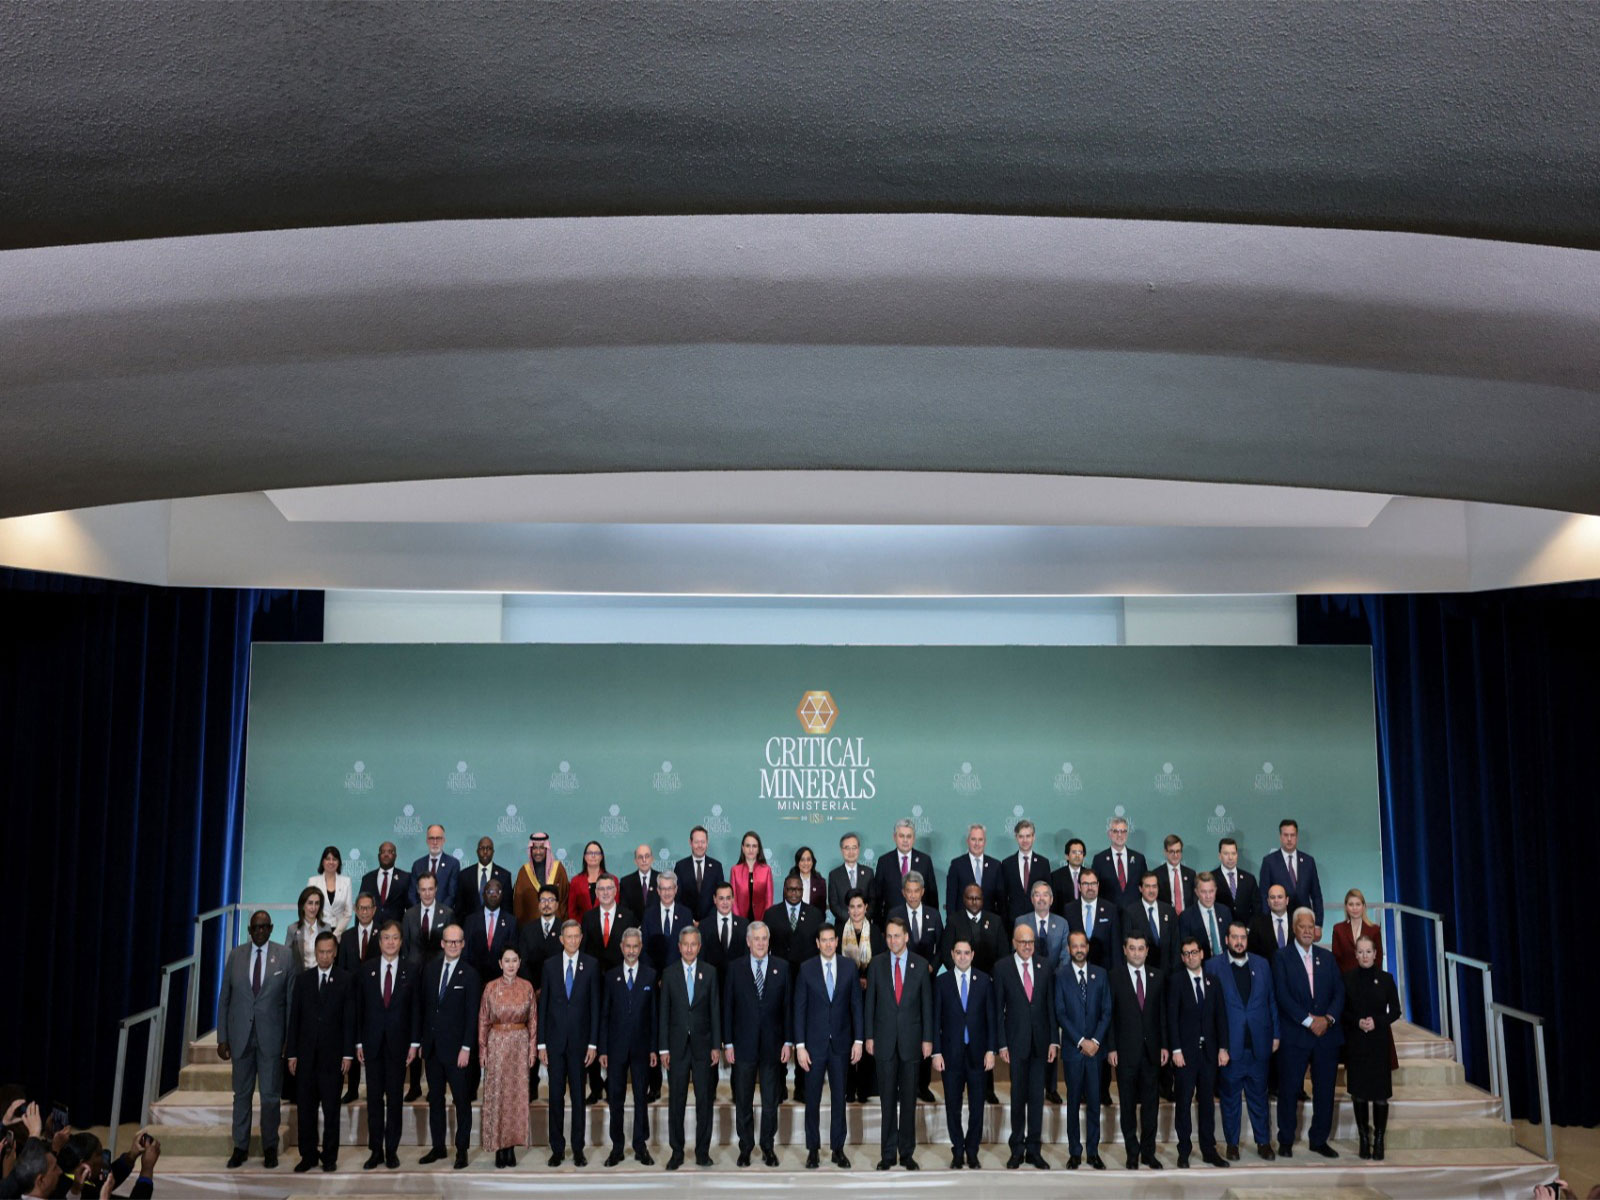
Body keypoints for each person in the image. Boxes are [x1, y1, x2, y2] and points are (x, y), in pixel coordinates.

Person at [217, 910, 292, 1170]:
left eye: (264, 927)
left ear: (271, 928)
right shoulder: (235, 956)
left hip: (272, 1039)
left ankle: (270, 1147)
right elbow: (224, 998)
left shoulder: (285, 955)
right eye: (255, 927)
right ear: (249, 931)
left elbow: (290, 1001)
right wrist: (222, 1037)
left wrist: (289, 1039)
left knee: (270, 1097)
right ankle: (240, 1147)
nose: (259, 931)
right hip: (240, 1038)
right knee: (242, 1095)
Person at [1272, 907, 1344, 1157]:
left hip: (1326, 1035)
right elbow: (1282, 994)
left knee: (1325, 1091)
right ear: (1294, 928)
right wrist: (1307, 1021)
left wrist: (1328, 1019)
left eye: (1310, 926)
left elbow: (1339, 992)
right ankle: (1286, 1139)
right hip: (1295, 1034)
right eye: (1302, 926)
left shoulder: (1327, 957)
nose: (1306, 931)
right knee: (1289, 1089)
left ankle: (1319, 1140)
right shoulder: (1281, 957)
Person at [863, 916, 933, 1171]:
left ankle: (906, 1153)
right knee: (887, 1101)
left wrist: (927, 1039)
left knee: (909, 1101)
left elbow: (927, 1006)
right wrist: (869, 1036)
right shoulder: (876, 964)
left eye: (897, 936)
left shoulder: (920, 965)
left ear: (906, 937)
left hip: (912, 1042)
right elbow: (869, 1003)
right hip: (883, 1041)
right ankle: (887, 1154)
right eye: (889, 936)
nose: (893, 940)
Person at [285, 930, 354, 1173]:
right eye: (321, 952)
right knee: (306, 1109)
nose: (324, 956)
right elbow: (294, 1019)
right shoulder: (303, 980)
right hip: (306, 1057)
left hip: (333, 1058)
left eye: (328, 952)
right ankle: (308, 1155)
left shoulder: (345, 980)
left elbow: (349, 1020)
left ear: (335, 953)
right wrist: (292, 1053)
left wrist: (348, 1054)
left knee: (331, 1110)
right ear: (315, 952)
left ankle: (329, 1157)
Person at [793, 923, 862, 1169]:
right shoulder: (806, 969)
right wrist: (800, 1046)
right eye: (824, 940)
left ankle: (837, 1149)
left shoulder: (849, 967)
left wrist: (858, 1040)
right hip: (813, 1047)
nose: (829, 944)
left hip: (841, 1045)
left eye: (832, 939)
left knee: (839, 1099)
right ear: (817, 943)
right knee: (812, 1098)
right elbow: (799, 1009)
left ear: (837, 941)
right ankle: (813, 1149)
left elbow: (856, 1006)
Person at [723, 921, 791, 1167]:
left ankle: (767, 1147)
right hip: (743, 1045)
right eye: (756, 939)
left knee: (770, 1101)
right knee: (743, 1100)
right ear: (748, 942)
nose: (760, 943)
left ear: (768, 941)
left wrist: (788, 1042)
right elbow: (728, 1007)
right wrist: (728, 1043)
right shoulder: (735, 968)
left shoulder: (782, 967)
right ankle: (745, 1147)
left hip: (773, 1046)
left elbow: (787, 1008)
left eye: (764, 938)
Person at [355, 920, 421, 1170]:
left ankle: (391, 1150)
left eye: (395, 938)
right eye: (386, 937)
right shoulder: (367, 969)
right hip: (372, 1044)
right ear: (379, 941)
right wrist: (358, 1042)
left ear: (401, 941)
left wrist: (414, 1043)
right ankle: (376, 1151)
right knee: (374, 1100)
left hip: (399, 1045)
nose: (390, 942)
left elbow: (415, 1009)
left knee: (395, 1100)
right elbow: (359, 1008)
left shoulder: (411, 970)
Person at [1211, 920, 1279, 1160]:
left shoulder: (1262, 964)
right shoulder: (1213, 966)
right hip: (1231, 1047)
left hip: (1259, 1044)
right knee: (1230, 1100)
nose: (1239, 942)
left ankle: (1263, 1142)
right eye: (1234, 937)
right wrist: (1219, 1045)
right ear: (1226, 940)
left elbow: (1271, 1000)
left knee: (1259, 1098)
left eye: (1243, 937)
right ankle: (1232, 1144)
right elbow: (1212, 1010)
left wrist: (1276, 1034)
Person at [537, 919, 599, 1167]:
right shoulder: (549, 965)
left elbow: (595, 1007)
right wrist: (541, 1044)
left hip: (580, 1046)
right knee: (555, 1096)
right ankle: (557, 1149)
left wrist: (593, 1044)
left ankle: (578, 1148)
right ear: (561, 939)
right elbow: (543, 1007)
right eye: (568, 937)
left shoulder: (591, 965)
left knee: (578, 1097)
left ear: (581, 938)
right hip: (554, 1044)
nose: (572, 940)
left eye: (576, 936)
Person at [659, 926, 721, 1169]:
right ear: (679, 946)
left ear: (699, 946)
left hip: (703, 1047)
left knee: (704, 1100)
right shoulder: (669, 973)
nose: (689, 948)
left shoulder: (710, 972)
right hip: (676, 1048)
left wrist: (716, 1045)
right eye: (685, 944)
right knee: (677, 1101)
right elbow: (664, 1014)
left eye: (693, 944)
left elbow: (715, 1010)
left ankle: (702, 1151)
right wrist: (663, 1048)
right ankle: (677, 1152)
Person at [996, 924, 1057, 1170]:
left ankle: (1034, 1150)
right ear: (1014, 943)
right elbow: (998, 1010)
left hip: (1041, 1043)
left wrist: (1053, 1040)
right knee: (1018, 1096)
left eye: (1031, 942)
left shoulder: (1045, 966)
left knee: (1036, 1098)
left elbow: (1050, 1006)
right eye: (1023, 942)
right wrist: (1002, 1043)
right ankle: (1017, 1149)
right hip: (1015, 1043)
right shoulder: (1002, 967)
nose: (1027, 946)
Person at [1105, 930, 1167, 1170]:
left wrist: (1164, 1045)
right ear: (1125, 950)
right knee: (1128, 1105)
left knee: (1151, 1105)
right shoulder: (1114, 976)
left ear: (1147, 951)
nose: (1137, 953)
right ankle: (1132, 1152)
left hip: (1151, 1052)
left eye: (1141, 948)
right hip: (1125, 1052)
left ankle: (1148, 1153)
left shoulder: (1157, 976)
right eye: (1132, 948)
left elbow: (1162, 1015)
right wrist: (1111, 1047)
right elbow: (1109, 1015)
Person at [932, 935, 995, 1170]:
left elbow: (991, 1019)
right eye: (958, 953)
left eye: (966, 953)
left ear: (972, 955)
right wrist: (936, 1052)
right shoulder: (942, 982)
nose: (962, 957)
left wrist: (991, 1050)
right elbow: (935, 1020)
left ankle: (972, 1150)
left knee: (977, 1106)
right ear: (952, 955)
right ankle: (958, 1150)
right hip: (950, 1055)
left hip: (978, 1055)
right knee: (953, 1105)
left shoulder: (985, 981)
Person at [419, 924, 479, 1170]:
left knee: (462, 1101)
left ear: (463, 944)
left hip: (457, 1052)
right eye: (449, 941)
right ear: (442, 944)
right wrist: (422, 1042)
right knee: (435, 1099)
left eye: (457, 941)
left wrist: (466, 1047)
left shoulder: (470, 974)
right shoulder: (430, 970)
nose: (453, 945)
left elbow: (472, 1015)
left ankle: (461, 1149)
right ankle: (438, 1147)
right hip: (433, 1049)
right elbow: (424, 1008)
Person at [1167, 936, 1228, 1168]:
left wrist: (1223, 1048)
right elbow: (1172, 1019)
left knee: (1207, 1103)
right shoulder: (1176, 981)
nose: (1191, 957)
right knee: (1183, 1103)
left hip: (1209, 1054)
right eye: (1186, 953)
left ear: (1202, 954)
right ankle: (1184, 1151)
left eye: (1194, 952)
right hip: (1185, 1055)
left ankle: (1208, 1150)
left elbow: (1220, 1017)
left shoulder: (1214, 981)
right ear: (1182, 958)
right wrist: (1176, 1050)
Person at [598, 928, 657, 1167]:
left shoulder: (650, 975)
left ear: (640, 948)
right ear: (622, 947)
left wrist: (653, 1048)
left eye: (635, 946)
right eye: (628, 946)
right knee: (616, 1098)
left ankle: (641, 1146)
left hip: (642, 1049)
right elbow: (604, 1015)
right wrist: (603, 1049)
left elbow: (654, 1016)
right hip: (616, 1048)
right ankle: (617, 1148)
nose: (631, 950)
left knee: (641, 1098)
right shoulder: (611, 976)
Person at [1054, 930, 1110, 1170]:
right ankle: (1075, 1152)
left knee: (1095, 1103)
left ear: (1087, 947)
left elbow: (1107, 1011)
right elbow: (1060, 1013)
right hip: (1073, 1051)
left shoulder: (1101, 974)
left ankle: (1093, 1152)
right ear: (1069, 949)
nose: (1079, 950)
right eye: (1074, 946)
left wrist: (1095, 1041)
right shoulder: (1060, 975)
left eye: (1082, 945)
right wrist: (1080, 1041)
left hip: (1095, 1051)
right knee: (1074, 1102)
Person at [1342, 935, 1400, 1161]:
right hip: (1356, 1043)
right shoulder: (1347, 979)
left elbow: (1395, 1010)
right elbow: (1342, 1011)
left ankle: (1379, 1140)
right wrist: (1357, 1022)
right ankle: (1364, 1139)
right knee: (1359, 1094)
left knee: (1380, 1095)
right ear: (1355, 954)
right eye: (1361, 952)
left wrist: (1377, 1022)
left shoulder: (1386, 979)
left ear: (1376, 954)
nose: (1365, 956)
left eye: (1369, 951)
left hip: (1379, 1043)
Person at [479, 945, 536, 1168]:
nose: (511, 965)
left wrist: (532, 1049)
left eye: (514, 960)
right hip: (497, 1045)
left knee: (515, 1097)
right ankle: (499, 1147)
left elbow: (533, 1021)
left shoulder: (527, 987)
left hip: (520, 1045)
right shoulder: (491, 988)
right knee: (498, 1097)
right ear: (500, 963)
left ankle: (511, 1147)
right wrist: (483, 1050)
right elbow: (483, 1020)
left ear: (519, 963)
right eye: (507, 960)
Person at [515, 883, 565, 1101]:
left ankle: (556, 1087)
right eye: (543, 900)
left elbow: (565, 963)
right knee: (532, 1039)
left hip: (557, 996)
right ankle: (531, 1085)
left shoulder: (565, 930)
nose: (546, 904)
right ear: (538, 904)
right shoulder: (528, 929)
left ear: (557, 904)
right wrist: (533, 989)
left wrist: (548, 989)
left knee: (554, 1040)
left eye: (550, 900)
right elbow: (523, 962)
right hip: (532, 994)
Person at [837, 889, 878, 1101]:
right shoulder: (839, 930)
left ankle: (864, 1089)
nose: (855, 911)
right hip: (845, 995)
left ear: (866, 907)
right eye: (852, 907)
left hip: (869, 995)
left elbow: (879, 963)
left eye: (859, 906)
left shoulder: (876, 932)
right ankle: (848, 1088)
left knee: (866, 1038)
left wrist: (867, 979)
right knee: (848, 1040)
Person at [1257, 819, 1324, 927]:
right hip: (1278, 922)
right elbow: (1264, 894)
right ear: (1280, 837)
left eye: (1292, 835)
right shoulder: (1269, 861)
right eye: (1285, 835)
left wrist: (1318, 924)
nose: (1289, 839)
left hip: (1304, 922)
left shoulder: (1308, 861)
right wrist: (1266, 922)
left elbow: (1316, 895)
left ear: (1297, 837)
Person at [874, 818, 939, 922]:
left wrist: (933, 922)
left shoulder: (925, 861)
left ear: (914, 838)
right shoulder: (884, 861)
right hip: (892, 922)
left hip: (919, 922)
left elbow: (932, 896)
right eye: (901, 836)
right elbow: (877, 898)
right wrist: (879, 926)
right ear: (894, 837)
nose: (905, 840)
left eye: (909, 836)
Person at [941, 882, 1004, 975]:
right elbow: (946, 954)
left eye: (977, 898)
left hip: (990, 977)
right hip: (961, 977)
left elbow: (1003, 953)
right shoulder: (953, 921)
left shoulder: (995, 921)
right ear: (964, 899)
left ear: (982, 900)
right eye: (970, 898)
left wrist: (993, 976)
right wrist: (960, 974)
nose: (974, 902)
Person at [1123, 871, 1178, 972]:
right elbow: (1127, 944)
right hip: (1143, 971)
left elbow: (1176, 944)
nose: (1151, 890)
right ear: (1140, 888)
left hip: (1168, 971)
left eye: (1154, 886)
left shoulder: (1169, 911)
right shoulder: (1130, 912)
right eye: (1147, 886)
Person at [945, 822, 1002, 921]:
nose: (977, 844)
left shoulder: (995, 865)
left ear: (985, 842)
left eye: (980, 840)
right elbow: (951, 900)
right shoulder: (957, 865)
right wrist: (952, 924)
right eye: (973, 839)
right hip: (963, 922)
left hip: (989, 923)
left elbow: (1001, 901)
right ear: (967, 841)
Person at [1065, 868, 1119, 970]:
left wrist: (1116, 973)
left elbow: (1115, 946)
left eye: (1093, 883)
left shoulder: (1110, 909)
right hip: (1076, 968)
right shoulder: (1069, 909)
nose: (1090, 887)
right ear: (1079, 886)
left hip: (1104, 969)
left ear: (1098, 885)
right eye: (1085, 884)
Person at [642, 869, 694, 973]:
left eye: (670, 888)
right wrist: (653, 975)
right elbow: (644, 947)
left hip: (680, 973)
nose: (667, 893)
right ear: (658, 890)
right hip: (654, 974)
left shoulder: (686, 914)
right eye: (663, 889)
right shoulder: (648, 915)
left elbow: (689, 946)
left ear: (676, 889)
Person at [1091, 815, 1147, 911]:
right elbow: (1095, 888)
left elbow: (1145, 886)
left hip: (1134, 913)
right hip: (1108, 913)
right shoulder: (1099, 859)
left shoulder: (1139, 859)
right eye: (1115, 831)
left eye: (1123, 831)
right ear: (1109, 834)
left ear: (1127, 833)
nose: (1120, 835)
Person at [465, 877, 517, 979]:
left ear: (502, 895)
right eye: (490, 891)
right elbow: (465, 952)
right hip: (474, 976)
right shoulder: (471, 920)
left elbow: (513, 952)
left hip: (502, 978)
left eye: (498, 891)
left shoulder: (511, 921)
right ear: (483, 894)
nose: (494, 895)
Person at [1000, 818, 1051, 923]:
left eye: (1028, 836)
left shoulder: (1043, 863)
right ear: (1016, 837)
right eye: (1021, 836)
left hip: (1038, 919)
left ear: (1033, 837)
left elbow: (1049, 893)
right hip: (1013, 921)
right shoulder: (1007, 864)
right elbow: (1003, 896)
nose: (1025, 840)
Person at [512, 831, 569, 924]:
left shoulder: (558, 869)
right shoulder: (524, 871)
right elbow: (518, 906)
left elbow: (565, 900)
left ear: (547, 849)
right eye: (535, 848)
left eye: (541, 848)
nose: (538, 852)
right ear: (530, 850)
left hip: (556, 926)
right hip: (531, 927)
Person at [402, 871, 452, 968]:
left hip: (438, 968)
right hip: (413, 968)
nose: (427, 893)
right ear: (418, 890)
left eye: (430, 889)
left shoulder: (447, 914)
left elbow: (450, 945)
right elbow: (405, 945)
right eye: (423, 890)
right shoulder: (409, 915)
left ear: (436, 889)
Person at [674, 825, 724, 921]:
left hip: (711, 922)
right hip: (686, 921)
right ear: (690, 842)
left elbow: (720, 896)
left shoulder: (716, 867)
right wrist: (689, 919)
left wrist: (708, 920)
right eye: (696, 842)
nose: (700, 845)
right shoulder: (680, 866)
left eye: (703, 842)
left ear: (707, 843)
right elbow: (677, 897)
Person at [698, 881, 749, 974]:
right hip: (712, 979)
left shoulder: (744, 925)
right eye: (721, 898)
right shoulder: (704, 926)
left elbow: (747, 957)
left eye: (728, 898)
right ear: (715, 899)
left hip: (737, 978)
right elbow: (701, 957)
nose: (725, 902)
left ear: (733, 899)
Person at [1178, 871, 1232, 960]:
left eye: (1211, 891)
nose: (1208, 896)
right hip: (1202, 963)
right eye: (1203, 892)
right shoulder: (1186, 917)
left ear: (1216, 890)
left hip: (1225, 961)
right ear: (1196, 892)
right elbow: (1186, 948)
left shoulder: (1225, 911)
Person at [458, 835, 514, 920]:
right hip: (470, 925)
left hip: (496, 924)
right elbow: (460, 907)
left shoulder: (504, 876)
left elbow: (507, 908)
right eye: (482, 848)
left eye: (489, 848)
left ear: (493, 852)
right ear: (477, 851)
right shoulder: (465, 875)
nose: (485, 851)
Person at [1331, 887, 1384, 974]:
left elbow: (1378, 960)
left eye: (1358, 904)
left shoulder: (1374, 930)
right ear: (1346, 907)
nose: (1354, 908)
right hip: (1345, 979)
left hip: (1369, 979)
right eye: (1351, 904)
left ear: (1363, 906)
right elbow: (1336, 960)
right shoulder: (1338, 929)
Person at [409, 824, 461, 910]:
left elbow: (452, 894)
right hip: (421, 914)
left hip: (444, 914)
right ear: (427, 841)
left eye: (438, 838)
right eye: (431, 838)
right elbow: (412, 893)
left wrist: (438, 912)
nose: (435, 842)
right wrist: (421, 910)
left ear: (443, 840)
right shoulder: (417, 865)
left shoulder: (453, 864)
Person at [827, 831, 873, 926]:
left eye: (854, 848)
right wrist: (851, 920)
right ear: (841, 850)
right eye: (847, 848)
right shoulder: (834, 875)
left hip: (865, 926)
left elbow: (873, 900)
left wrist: (862, 919)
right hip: (843, 926)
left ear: (858, 849)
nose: (851, 852)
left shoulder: (868, 873)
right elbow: (833, 904)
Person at [361, 841, 412, 926]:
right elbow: (361, 906)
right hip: (372, 928)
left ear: (395, 856)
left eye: (390, 852)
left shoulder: (405, 878)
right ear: (378, 856)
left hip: (396, 929)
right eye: (383, 852)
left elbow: (411, 908)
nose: (386, 854)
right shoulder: (367, 879)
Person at [309, 845, 355, 936]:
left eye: (334, 859)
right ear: (323, 862)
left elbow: (348, 912)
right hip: (318, 932)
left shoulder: (346, 881)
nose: (331, 862)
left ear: (339, 862)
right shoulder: (313, 881)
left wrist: (336, 934)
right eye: (328, 859)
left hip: (339, 932)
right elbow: (309, 909)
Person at [285, 885, 332, 971]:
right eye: (310, 903)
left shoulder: (326, 928)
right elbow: (287, 957)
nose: (313, 908)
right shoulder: (292, 929)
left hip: (321, 974)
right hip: (300, 975)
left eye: (317, 903)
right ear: (303, 905)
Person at [730, 830, 774, 920]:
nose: (751, 850)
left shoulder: (766, 870)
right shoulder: (735, 870)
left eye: (754, 846)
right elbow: (733, 900)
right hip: (740, 920)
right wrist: (739, 921)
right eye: (747, 846)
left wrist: (764, 920)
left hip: (762, 920)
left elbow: (769, 900)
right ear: (743, 848)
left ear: (758, 849)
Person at [1213, 837, 1258, 924]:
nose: (1230, 857)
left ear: (1237, 855)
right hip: (1222, 928)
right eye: (1226, 853)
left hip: (1245, 929)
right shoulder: (1212, 878)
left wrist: (1249, 928)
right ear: (1220, 856)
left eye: (1233, 853)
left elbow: (1257, 908)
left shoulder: (1249, 879)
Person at [567, 840, 612, 924]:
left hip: (606, 927)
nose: (593, 856)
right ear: (585, 857)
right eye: (590, 853)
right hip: (582, 927)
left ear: (601, 857)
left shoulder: (612, 880)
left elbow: (615, 907)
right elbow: (572, 910)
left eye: (597, 853)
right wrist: (578, 927)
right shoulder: (576, 881)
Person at [1248, 883, 1294, 962]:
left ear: (1287, 900)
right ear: (1268, 901)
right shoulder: (1257, 924)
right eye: (1272, 897)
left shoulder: (1297, 922)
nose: (1276, 900)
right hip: (1267, 969)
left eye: (1280, 897)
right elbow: (1253, 954)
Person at [1157, 834, 1196, 916]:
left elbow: (1194, 900)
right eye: (1172, 851)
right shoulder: (1157, 874)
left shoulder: (1191, 874)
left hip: (1187, 917)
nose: (1175, 855)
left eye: (1178, 851)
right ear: (1165, 852)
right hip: (1166, 917)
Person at [619, 843, 659, 916]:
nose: (644, 860)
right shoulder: (626, 882)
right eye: (640, 857)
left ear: (652, 859)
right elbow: (624, 910)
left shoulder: (661, 879)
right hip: (633, 923)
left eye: (647, 856)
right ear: (635, 861)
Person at [1049, 837, 1088, 913]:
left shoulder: (1090, 875)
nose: (1077, 856)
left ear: (1083, 856)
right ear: (1067, 856)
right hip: (1063, 917)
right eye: (1074, 852)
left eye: (1080, 852)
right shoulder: (1055, 876)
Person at [791, 845, 827, 911]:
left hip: (814, 917)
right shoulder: (790, 882)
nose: (806, 863)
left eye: (808, 860)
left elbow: (822, 909)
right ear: (797, 862)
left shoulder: (820, 882)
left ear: (812, 862)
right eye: (802, 860)